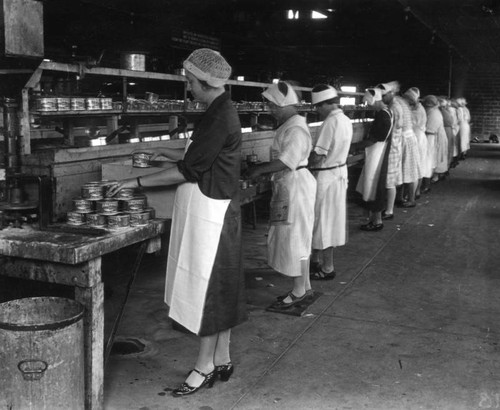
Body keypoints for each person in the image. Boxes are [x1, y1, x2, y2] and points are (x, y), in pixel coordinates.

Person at [107, 48, 247, 397]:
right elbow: (198, 154)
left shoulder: (219, 116)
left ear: (205, 82)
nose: (188, 89)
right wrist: (164, 153)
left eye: (190, 83)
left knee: (207, 292)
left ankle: (204, 367)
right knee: (219, 288)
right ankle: (223, 358)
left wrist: (133, 182)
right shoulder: (218, 110)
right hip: (211, 211)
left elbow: (188, 169)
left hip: (211, 217)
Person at [245, 81, 317, 309]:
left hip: (295, 187)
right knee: (299, 237)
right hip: (291, 185)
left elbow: (286, 161)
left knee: (294, 238)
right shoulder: (290, 125)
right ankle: (304, 287)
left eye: (273, 106)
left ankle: (297, 292)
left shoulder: (295, 129)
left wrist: (258, 170)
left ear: (284, 105)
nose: (270, 110)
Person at [308, 84, 352, 279]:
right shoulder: (345, 119)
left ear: (327, 104)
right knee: (328, 221)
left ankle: (328, 268)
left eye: (318, 106)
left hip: (326, 176)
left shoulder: (329, 122)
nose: (317, 110)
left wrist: (302, 162)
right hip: (339, 173)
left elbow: (318, 155)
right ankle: (315, 260)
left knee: (323, 223)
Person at [355, 88, 393, 231]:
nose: (368, 106)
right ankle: (374, 219)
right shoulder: (388, 112)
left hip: (377, 153)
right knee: (375, 185)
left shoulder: (382, 115)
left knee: (373, 185)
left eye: (369, 103)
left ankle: (376, 221)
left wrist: (354, 147)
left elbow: (374, 138)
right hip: (380, 152)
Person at [376, 82, 402, 220]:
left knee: (390, 180)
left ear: (391, 93)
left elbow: (396, 127)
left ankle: (389, 211)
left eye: (384, 95)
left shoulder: (395, 107)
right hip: (393, 145)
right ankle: (388, 208)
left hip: (393, 146)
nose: (383, 98)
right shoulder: (393, 105)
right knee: (389, 179)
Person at [403, 87, 428, 198]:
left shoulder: (417, 110)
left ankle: (415, 192)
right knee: (418, 165)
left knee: (417, 166)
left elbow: (410, 123)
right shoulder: (418, 108)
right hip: (418, 136)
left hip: (418, 138)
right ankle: (415, 192)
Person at [422, 95, 446, 187]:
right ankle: (426, 181)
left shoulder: (433, 113)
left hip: (431, 138)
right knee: (429, 160)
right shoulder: (433, 111)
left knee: (428, 160)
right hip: (431, 137)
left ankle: (426, 183)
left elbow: (430, 128)